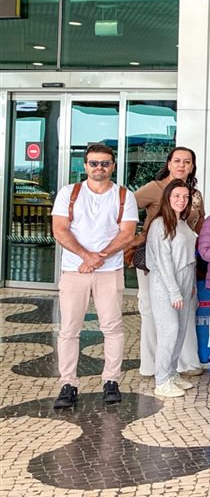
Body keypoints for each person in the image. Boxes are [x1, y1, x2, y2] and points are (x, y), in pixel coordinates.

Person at [50, 143, 137, 409]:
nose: (99, 168)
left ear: (112, 165)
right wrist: (87, 257)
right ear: (85, 165)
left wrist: (99, 258)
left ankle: (111, 380)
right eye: (94, 163)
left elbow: (127, 234)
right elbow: (60, 230)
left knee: (112, 328)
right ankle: (68, 383)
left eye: (105, 163)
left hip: (109, 272)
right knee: (69, 329)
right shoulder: (69, 193)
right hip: (75, 270)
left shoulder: (124, 196)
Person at [131, 146, 206, 380]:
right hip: (155, 261)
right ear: (169, 163)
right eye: (177, 161)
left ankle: (180, 364)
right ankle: (153, 366)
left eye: (187, 161)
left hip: (183, 260)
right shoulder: (155, 188)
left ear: (192, 166)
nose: (182, 165)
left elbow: (199, 225)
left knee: (183, 313)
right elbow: (125, 207)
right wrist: (137, 237)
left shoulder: (193, 194)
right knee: (153, 312)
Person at [143, 179, 201, 399]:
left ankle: (171, 373)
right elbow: (164, 261)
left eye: (185, 196)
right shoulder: (160, 224)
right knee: (169, 330)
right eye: (177, 196)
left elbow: (190, 259)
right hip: (166, 282)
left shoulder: (184, 224)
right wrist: (174, 291)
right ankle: (161, 380)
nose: (181, 200)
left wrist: (191, 285)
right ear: (167, 197)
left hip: (185, 280)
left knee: (180, 331)